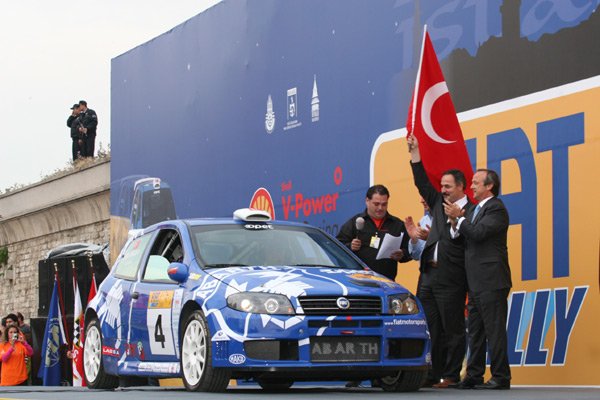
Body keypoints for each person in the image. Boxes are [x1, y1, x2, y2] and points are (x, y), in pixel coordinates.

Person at [406, 135, 472, 388]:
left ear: (461, 187)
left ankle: (452, 375)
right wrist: (415, 155)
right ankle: (432, 373)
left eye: (448, 187)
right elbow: (421, 182)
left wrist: (460, 219)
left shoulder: (472, 210)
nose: (443, 190)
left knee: (453, 328)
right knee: (430, 325)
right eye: (442, 186)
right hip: (428, 275)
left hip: (451, 276)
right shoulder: (437, 204)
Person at [445, 169, 512, 390]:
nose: (471, 187)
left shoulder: (496, 208)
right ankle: (474, 374)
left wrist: (460, 217)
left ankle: (501, 376)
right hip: (474, 280)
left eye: (476, 183)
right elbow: (463, 234)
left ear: (489, 186)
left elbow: (479, 233)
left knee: (494, 329)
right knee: (475, 330)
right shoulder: (474, 209)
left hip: (492, 279)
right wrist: (455, 219)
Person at [337, 184, 412, 281]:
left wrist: (402, 254)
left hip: (387, 281)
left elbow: (410, 250)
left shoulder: (397, 225)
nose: (380, 208)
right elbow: (337, 248)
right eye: (376, 204)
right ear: (367, 201)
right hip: (358, 281)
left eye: (384, 204)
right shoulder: (355, 222)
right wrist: (350, 246)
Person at [406, 196, 432, 261]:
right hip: (425, 270)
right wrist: (414, 239)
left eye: (424, 196)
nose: (421, 201)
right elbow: (416, 256)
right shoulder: (423, 221)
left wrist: (431, 238)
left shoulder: (448, 219)